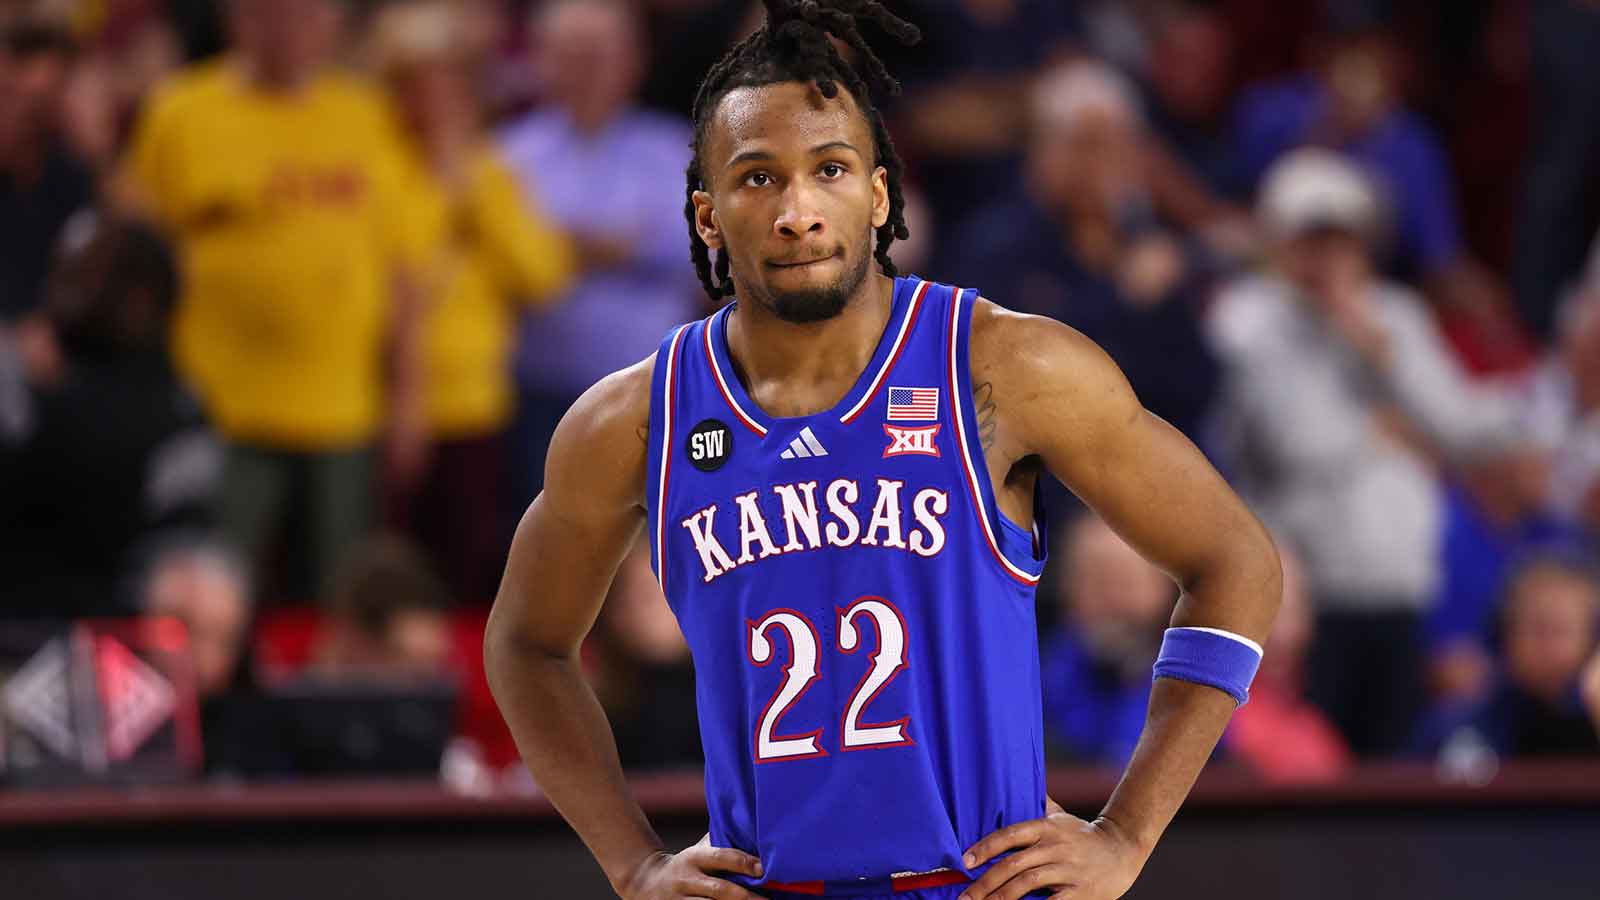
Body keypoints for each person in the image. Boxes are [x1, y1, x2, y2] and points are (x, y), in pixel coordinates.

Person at [485, 4, 1280, 900]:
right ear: (706, 217)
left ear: (879, 195)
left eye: (829, 170)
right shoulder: (636, 418)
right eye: (757, 179)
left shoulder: (1007, 366)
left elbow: (1235, 561)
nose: (795, 211)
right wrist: (631, 864)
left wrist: (1128, 834)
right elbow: (525, 644)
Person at [1207, 148, 1519, 757]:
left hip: (1401, 588)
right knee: (1317, 768)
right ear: (1278, 243)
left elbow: (1457, 427)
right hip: (1308, 601)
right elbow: (1299, 443)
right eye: (1310, 241)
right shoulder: (1248, 319)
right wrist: (1383, 422)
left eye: (1340, 241)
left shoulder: (1396, 317)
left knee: (1398, 772)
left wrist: (1381, 356)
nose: (1326, 260)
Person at [117, 0, 429, 598]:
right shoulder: (181, 110)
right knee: (211, 591)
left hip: (344, 410)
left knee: (341, 594)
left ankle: (336, 696)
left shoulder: (367, 115)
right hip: (219, 406)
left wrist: (408, 397)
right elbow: (132, 257)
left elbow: (406, 273)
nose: (293, 28)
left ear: (335, 23)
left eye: (310, 14)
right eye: (274, 13)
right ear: (238, 18)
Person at [371, 0, 577, 602]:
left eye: (447, 81)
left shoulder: (490, 172)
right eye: (418, 83)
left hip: (474, 404)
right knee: (392, 564)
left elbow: (543, 276)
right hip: (378, 402)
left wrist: (472, 191)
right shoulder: (380, 169)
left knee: (470, 565)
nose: (435, 99)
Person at [946, 60, 1220, 448]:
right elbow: (1017, 378)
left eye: (1119, 145)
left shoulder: (1146, 243)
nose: (1106, 164)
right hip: (1039, 465)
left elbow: (1199, 383)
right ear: (1044, 150)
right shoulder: (997, 247)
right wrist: (1122, 299)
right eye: (1088, 144)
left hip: (1146, 456)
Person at [498, 0, 702, 508]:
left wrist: (568, 245)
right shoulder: (508, 154)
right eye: (571, 54)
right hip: (537, 390)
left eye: (600, 55)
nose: (586, 71)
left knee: (654, 549)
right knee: (549, 547)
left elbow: (705, 251)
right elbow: (498, 259)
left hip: (653, 392)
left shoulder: (675, 150)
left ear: (634, 61)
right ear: (541, 59)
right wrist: (616, 245)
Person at [0, 214, 219, 619]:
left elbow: (181, 550)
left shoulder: (177, 412)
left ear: (144, 298)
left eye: (82, 282)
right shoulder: (26, 384)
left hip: (118, 639)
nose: (63, 296)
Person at [1414, 554, 1600, 759]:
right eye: (1536, 629)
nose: (1547, 647)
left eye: (1559, 630)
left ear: (1591, 640)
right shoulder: (1459, 729)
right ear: (1505, 635)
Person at [1039, 515, 1174, 769]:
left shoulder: (1203, 688)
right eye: (1097, 582)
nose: (1112, 600)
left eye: (1126, 583)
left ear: (1163, 590)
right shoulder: (1032, 689)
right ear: (1066, 590)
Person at [1223, 541, 1352, 783]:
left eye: (1292, 612)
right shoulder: (1207, 728)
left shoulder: (1316, 733)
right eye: (1261, 615)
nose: (1281, 636)